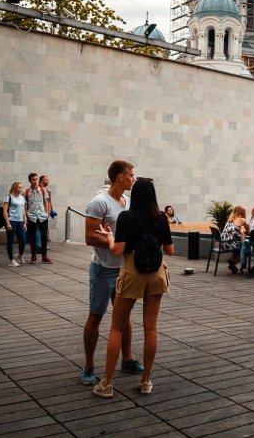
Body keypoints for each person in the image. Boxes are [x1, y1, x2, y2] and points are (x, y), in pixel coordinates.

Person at [92, 177, 174, 398]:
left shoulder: (126, 217)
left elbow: (117, 251)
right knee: (151, 328)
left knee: (117, 328)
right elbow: (170, 249)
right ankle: (146, 380)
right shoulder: (161, 218)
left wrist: (109, 237)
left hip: (132, 272)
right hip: (156, 273)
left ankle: (107, 384)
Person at [81, 160, 143, 386]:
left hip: (125, 269)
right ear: (120, 177)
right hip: (103, 270)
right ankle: (88, 366)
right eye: (131, 175)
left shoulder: (128, 202)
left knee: (124, 316)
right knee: (95, 316)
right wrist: (116, 243)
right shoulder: (99, 203)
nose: (133, 179)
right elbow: (89, 237)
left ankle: (126, 359)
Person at [24, 172, 52, 264]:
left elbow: (46, 202)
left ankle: (44, 256)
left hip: (42, 216)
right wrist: (26, 216)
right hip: (32, 216)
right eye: (33, 179)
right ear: (30, 181)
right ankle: (34, 256)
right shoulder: (26, 192)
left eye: (36, 179)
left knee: (44, 237)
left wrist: (46, 213)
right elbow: (24, 205)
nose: (35, 181)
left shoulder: (43, 190)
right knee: (32, 237)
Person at [2, 181, 27, 267]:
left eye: (21, 187)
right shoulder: (8, 197)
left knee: (23, 240)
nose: (21, 189)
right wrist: (7, 223)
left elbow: (23, 210)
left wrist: (25, 222)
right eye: (19, 187)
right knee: (10, 241)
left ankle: (20, 255)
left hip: (20, 222)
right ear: (14, 188)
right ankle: (11, 260)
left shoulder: (22, 198)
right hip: (11, 221)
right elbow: (4, 211)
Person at [220, 206, 248, 274]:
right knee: (245, 248)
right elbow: (248, 229)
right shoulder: (241, 219)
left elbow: (232, 232)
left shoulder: (230, 219)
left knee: (239, 245)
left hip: (223, 243)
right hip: (231, 244)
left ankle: (233, 261)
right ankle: (233, 262)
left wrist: (241, 232)